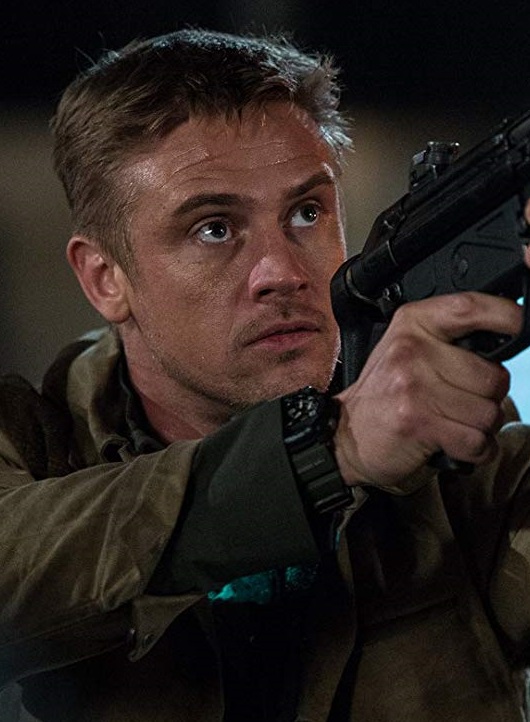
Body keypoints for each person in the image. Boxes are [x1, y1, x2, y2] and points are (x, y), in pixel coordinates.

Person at [0, 28, 529, 722]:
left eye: (307, 213)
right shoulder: (35, 443)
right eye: (214, 228)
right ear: (105, 279)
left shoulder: (446, 450)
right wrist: (330, 451)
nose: (281, 272)